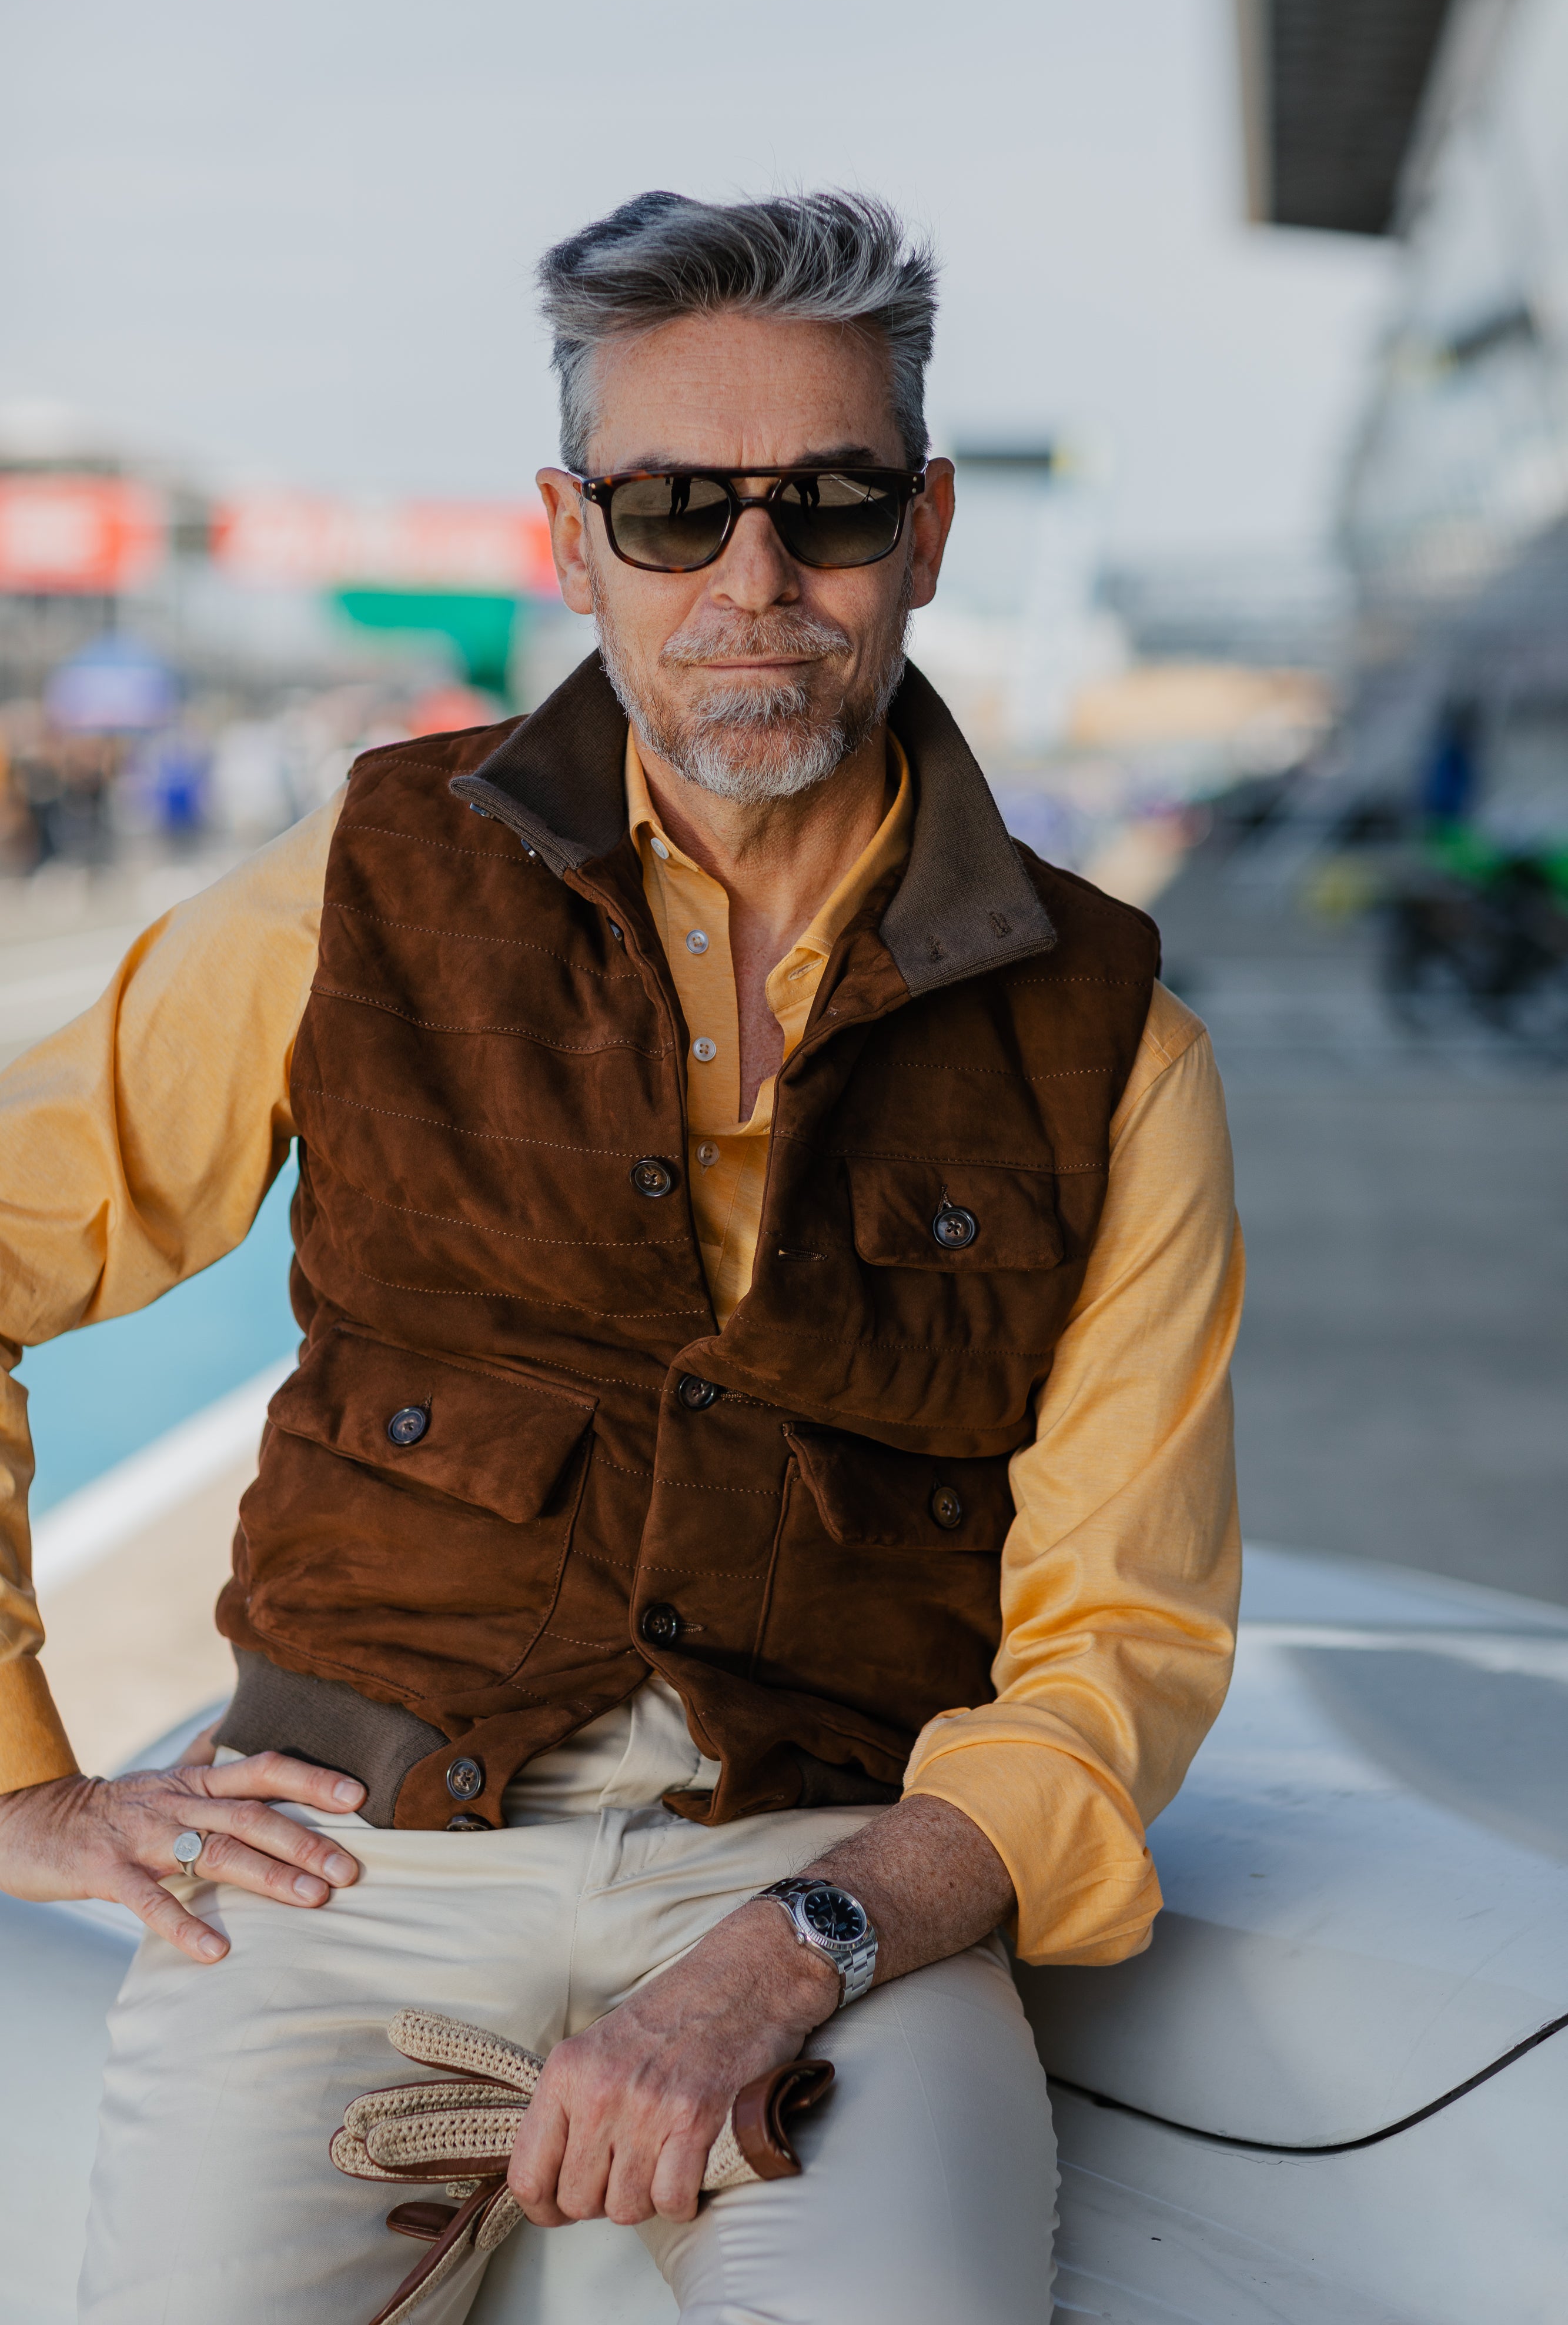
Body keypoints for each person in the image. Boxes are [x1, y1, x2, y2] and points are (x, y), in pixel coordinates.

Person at [0, 191, 1242, 2325]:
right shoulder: (364, 879)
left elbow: (1113, 1644)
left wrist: (799, 1954)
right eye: (677, 512)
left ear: (923, 528)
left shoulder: (1112, 1032)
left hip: (827, 1870)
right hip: (357, 1835)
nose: (753, 585)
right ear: (572, 542)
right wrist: (23, 1781)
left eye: (827, 507)